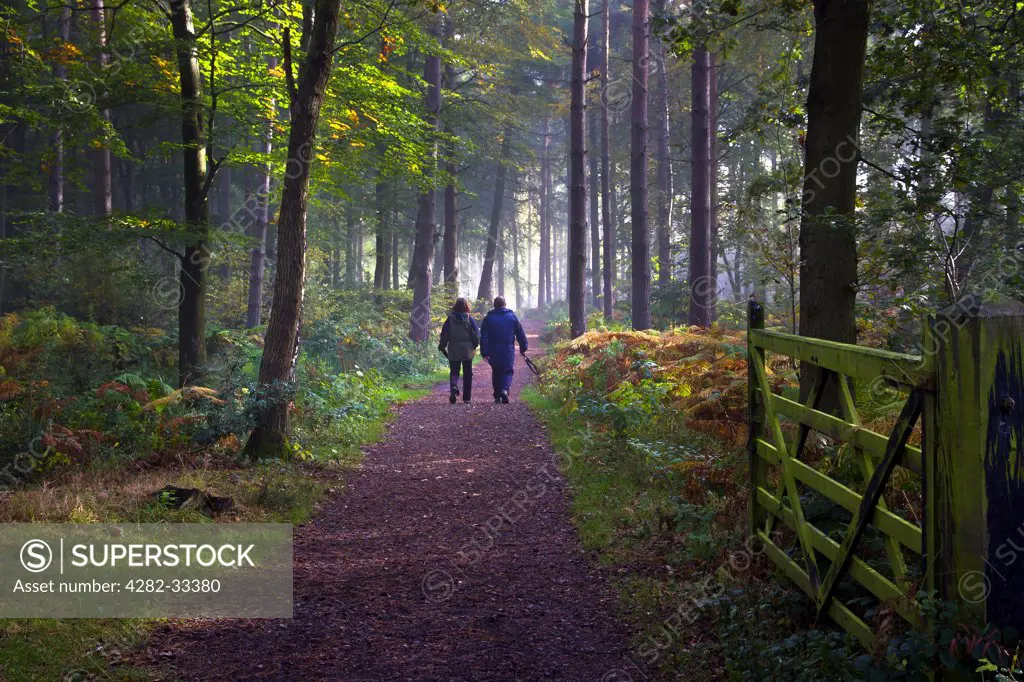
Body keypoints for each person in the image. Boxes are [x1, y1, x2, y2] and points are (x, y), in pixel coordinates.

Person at [479, 296, 528, 404]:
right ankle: (505, 390)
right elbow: (520, 333)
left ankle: (497, 396)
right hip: (507, 349)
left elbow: (484, 336)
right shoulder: (512, 316)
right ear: (504, 304)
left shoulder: (488, 318)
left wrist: (485, 352)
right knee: (507, 370)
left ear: (494, 305)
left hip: (493, 349)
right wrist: (523, 347)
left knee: (496, 371)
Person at [438, 298, 480, 404]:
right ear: (466, 307)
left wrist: (442, 346)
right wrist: (474, 346)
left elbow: (445, 334)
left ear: (455, 307)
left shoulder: (450, 320)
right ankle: (467, 398)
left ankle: (454, 386)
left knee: (454, 371)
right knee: (468, 373)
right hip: (468, 349)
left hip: (453, 348)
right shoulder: (470, 319)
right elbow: (476, 335)